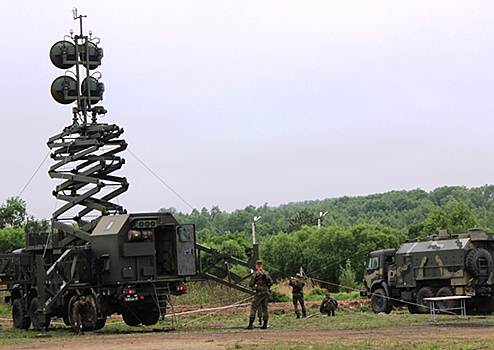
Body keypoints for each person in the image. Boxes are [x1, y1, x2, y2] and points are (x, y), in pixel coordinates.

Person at [246, 260, 272, 330]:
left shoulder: (256, 274)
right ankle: (265, 324)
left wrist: (255, 285)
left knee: (254, 307)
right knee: (265, 308)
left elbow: (251, 284)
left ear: (257, 266)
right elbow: (271, 282)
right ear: (262, 266)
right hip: (266, 292)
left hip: (259, 293)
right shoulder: (266, 273)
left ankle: (251, 324)